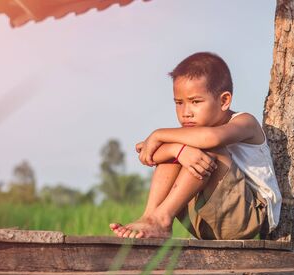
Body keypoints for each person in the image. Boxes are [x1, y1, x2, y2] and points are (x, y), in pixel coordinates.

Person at [109, 52, 282, 240]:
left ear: (224, 101)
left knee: (205, 147)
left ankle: (162, 218)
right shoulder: (192, 135)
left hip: (247, 218)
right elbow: (148, 155)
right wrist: (177, 150)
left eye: (195, 102)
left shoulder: (245, 122)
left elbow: (211, 139)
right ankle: (151, 217)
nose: (186, 112)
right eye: (179, 103)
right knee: (181, 148)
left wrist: (159, 134)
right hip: (203, 221)